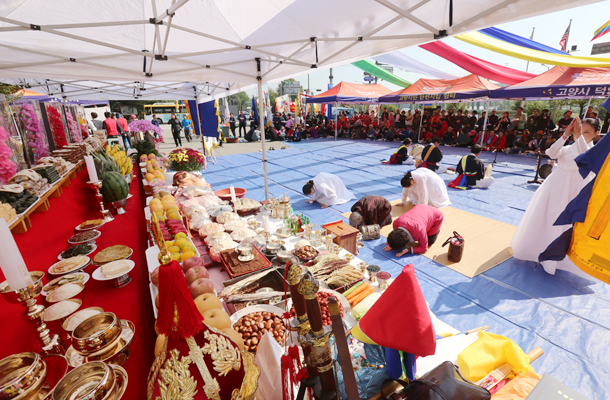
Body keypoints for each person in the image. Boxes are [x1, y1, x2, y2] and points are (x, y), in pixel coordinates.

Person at [511, 117, 599, 278]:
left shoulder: (594, 152)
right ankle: (538, 250)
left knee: (564, 224)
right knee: (547, 217)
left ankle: (557, 259)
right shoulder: (568, 148)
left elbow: (585, 156)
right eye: (580, 130)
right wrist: (566, 135)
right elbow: (550, 152)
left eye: (587, 132)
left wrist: (578, 136)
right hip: (555, 186)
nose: (581, 134)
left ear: (596, 134)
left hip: (575, 191)